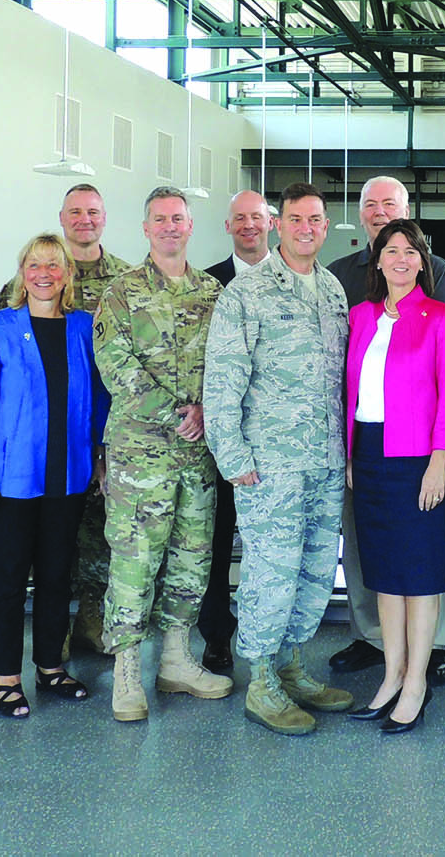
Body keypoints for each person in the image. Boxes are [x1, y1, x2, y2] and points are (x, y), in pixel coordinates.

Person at [204, 183, 357, 735]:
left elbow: (341, 381)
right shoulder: (245, 294)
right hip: (269, 463)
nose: (306, 228)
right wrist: (231, 453)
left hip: (322, 460)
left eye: (315, 219)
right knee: (270, 573)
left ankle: (292, 665)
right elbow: (222, 379)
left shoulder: (334, 290)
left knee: (315, 570)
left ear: (325, 224)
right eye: (295, 219)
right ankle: (262, 680)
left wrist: (344, 453)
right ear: (277, 224)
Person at [0, 233, 110, 717]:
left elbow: (100, 403)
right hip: (9, 480)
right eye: (34, 265)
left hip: (68, 478)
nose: (44, 273)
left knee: (55, 578)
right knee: (6, 579)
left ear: (67, 273)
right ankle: (6, 677)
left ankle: (49, 668)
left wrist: (102, 458)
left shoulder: (84, 328)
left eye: (54, 265)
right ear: (21, 272)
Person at [93, 186, 229, 721]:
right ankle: (126, 671)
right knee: (133, 560)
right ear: (146, 228)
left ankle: (175, 659)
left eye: (179, 218)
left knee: (192, 556)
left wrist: (209, 412)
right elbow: (117, 368)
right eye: (160, 219)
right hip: (140, 455)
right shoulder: (120, 293)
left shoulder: (214, 293)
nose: (170, 227)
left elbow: (229, 363)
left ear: (191, 227)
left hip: (198, 456)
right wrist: (183, 413)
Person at [327, 176, 445, 686]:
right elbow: (343, 374)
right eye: (371, 205)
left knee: (426, 557)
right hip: (367, 448)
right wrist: (345, 451)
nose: (379, 211)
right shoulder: (349, 289)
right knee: (373, 555)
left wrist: (439, 457)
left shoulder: (439, 293)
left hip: (417, 447)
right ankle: (383, 652)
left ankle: (431, 655)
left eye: (391, 205)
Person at [0, 184, 135, 657]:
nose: (84, 219)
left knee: (99, 540)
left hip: (102, 437)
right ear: (61, 217)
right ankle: (51, 637)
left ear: (105, 217)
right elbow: (2, 362)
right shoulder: (25, 285)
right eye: (74, 212)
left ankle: (90, 620)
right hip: (33, 449)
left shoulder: (126, 281)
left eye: (92, 211)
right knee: (43, 554)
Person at [197, 189, 273, 674]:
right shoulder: (208, 286)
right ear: (228, 227)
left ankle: (273, 641)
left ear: (271, 224)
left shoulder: (296, 281)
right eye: (239, 218)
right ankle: (217, 636)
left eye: (257, 217)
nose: (248, 225)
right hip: (223, 440)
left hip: (278, 443)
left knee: (273, 547)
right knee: (217, 540)